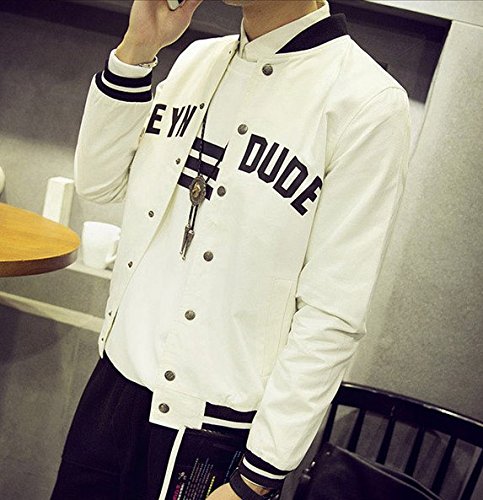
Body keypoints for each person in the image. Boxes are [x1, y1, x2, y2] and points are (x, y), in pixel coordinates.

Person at [51, 0, 411, 499]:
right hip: (114, 390)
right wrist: (138, 48)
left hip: (213, 429)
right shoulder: (197, 59)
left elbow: (332, 313)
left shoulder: (368, 102)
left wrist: (256, 477)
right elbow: (98, 181)